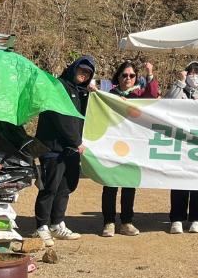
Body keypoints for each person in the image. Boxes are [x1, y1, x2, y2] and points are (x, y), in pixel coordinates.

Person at [34, 55, 97, 244]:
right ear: (73, 68)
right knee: (49, 188)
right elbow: (62, 118)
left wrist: (91, 96)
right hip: (53, 148)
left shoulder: (80, 92)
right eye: (82, 70)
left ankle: (57, 223)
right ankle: (41, 226)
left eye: (88, 73)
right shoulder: (58, 87)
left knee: (66, 187)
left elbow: (85, 115)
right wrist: (76, 141)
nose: (84, 74)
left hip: (70, 150)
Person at [101, 61, 160, 237]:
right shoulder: (109, 95)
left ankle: (127, 222)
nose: (128, 78)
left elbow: (152, 95)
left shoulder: (138, 95)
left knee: (129, 185)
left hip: (132, 147)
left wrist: (150, 73)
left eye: (132, 75)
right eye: (125, 75)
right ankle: (109, 222)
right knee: (110, 185)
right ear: (118, 77)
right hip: (111, 146)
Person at [164, 61, 198, 234]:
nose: (194, 76)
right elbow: (166, 104)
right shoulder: (178, 88)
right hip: (180, 142)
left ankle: (197, 218)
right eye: (191, 72)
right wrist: (180, 83)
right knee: (178, 179)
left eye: (197, 72)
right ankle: (177, 218)